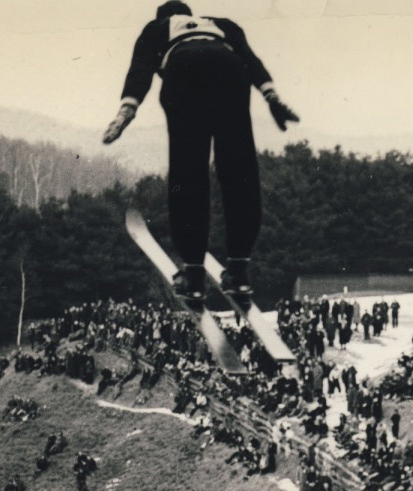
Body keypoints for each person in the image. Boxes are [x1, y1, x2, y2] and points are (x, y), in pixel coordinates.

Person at [103, 1, 299, 309]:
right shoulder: (221, 23)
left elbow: (140, 68)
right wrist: (271, 96)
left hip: (183, 71)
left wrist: (126, 111)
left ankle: (193, 275)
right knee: (239, 172)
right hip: (230, 71)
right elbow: (251, 59)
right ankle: (239, 271)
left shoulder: (158, 27)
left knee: (188, 175)